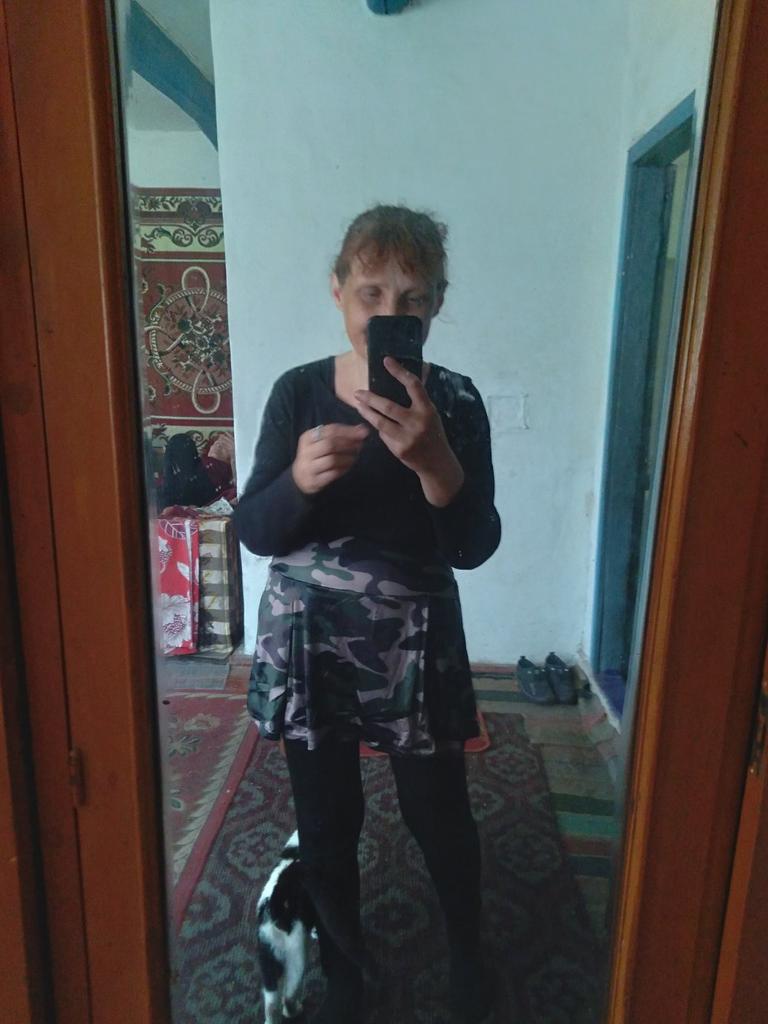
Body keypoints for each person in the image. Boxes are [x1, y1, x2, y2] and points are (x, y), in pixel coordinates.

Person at [233, 205, 501, 1023]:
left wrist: (437, 464)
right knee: (326, 819)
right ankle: (345, 972)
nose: (389, 314)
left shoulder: (455, 401)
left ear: (436, 305)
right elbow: (256, 531)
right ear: (338, 291)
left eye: (412, 300)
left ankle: (469, 958)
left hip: (413, 645)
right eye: (371, 295)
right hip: (309, 641)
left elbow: (474, 544)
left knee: (436, 812)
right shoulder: (298, 392)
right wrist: (298, 481)